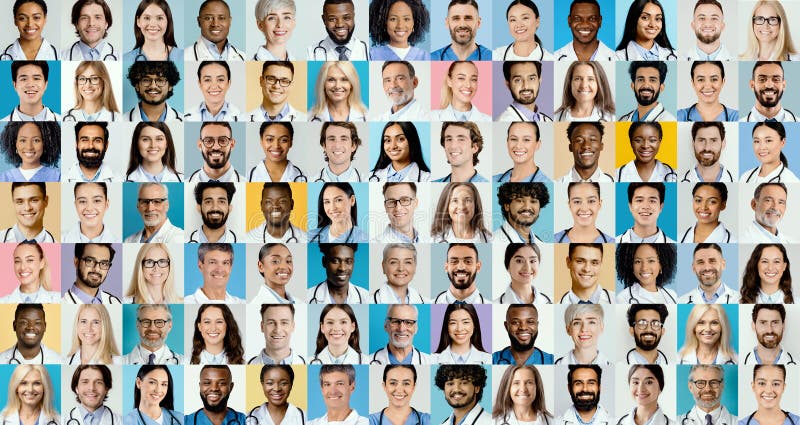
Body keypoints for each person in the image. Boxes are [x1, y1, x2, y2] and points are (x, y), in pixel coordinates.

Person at [368, 304, 432, 364]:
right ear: (385, 326)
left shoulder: (429, 361)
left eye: (408, 322)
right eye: (395, 321)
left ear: (416, 328)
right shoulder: (368, 360)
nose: (401, 329)